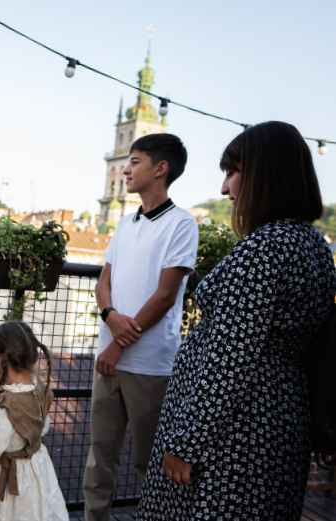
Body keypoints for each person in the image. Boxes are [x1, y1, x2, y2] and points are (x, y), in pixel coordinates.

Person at [138, 121, 336, 520]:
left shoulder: (263, 249)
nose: (224, 188)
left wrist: (186, 442)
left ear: (266, 176)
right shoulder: (312, 243)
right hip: (275, 423)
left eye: (232, 173)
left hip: (232, 441)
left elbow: (229, 360)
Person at [83, 133, 199, 521]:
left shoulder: (182, 224)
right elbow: (103, 282)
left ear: (160, 168)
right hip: (108, 360)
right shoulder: (125, 223)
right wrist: (109, 316)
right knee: (100, 458)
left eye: (135, 162)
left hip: (149, 366)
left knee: (149, 462)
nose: (126, 170)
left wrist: (117, 344)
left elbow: (166, 296)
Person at [0, 321, 69, 521]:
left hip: (11, 482)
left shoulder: (5, 407)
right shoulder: (39, 392)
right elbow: (42, 427)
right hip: (37, 470)